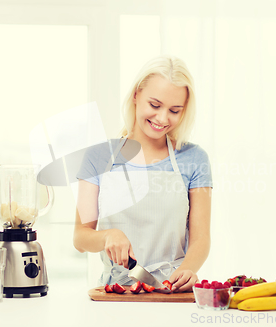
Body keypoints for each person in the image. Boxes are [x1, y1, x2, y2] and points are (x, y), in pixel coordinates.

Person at [73, 55, 212, 292]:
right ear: (136, 95)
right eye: (155, 105)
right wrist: (108, 236)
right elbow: (80, 238)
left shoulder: (194, 159)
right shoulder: (98, 157)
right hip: (115, 293)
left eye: (175, 110)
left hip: (170, 290)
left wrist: (186, 270)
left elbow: (200, 238)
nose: (162, 118)